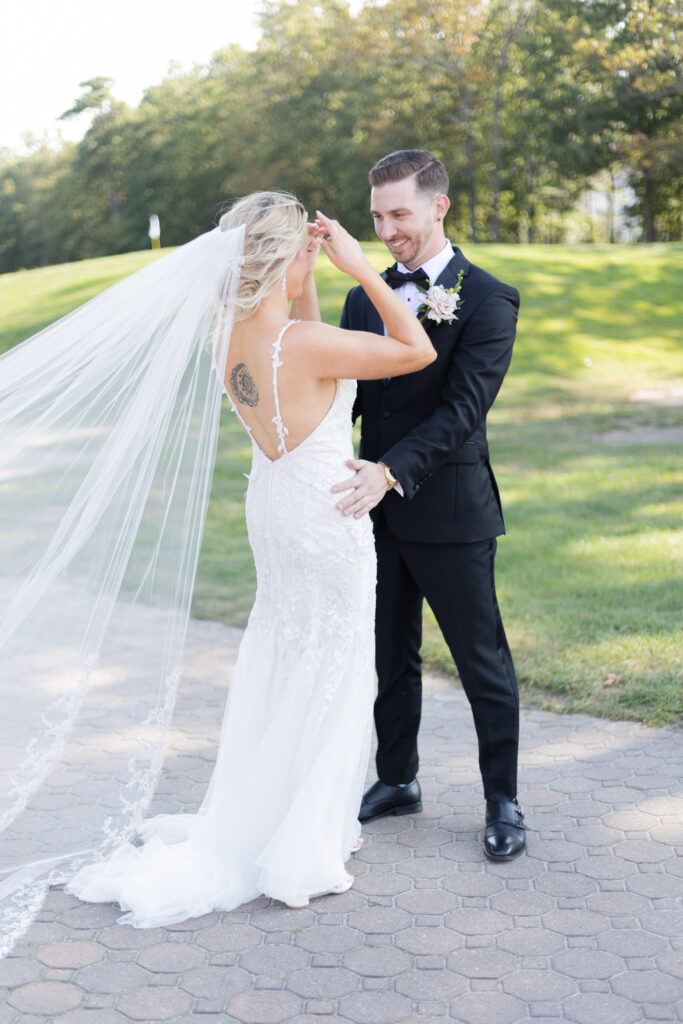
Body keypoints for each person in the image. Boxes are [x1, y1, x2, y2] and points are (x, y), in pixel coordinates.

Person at [53, 193, 435, 924]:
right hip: (322, 519)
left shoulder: (233, 341)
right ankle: (302, 840)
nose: (311, 263)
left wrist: (311, 272)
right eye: (304, 256)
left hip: (276, 507)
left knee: (290, 655)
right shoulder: (304, 345)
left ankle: (284, 813)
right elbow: (414, 349)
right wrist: (360, 267)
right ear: (280, 265)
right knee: (332, 661)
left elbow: (306, 340)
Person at [333, 150, 525, 861]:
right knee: (389, 654)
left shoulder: (487, 298)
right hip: (372, 513)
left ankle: (502, 799)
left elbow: (461, 412)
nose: (386, 230)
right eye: (377, 215)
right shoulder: (365, 295)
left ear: (438, 207)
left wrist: (389, 472)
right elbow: (345, 401)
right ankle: (397, 779)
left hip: (448, 511)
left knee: (481, 660)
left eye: (399, 214)